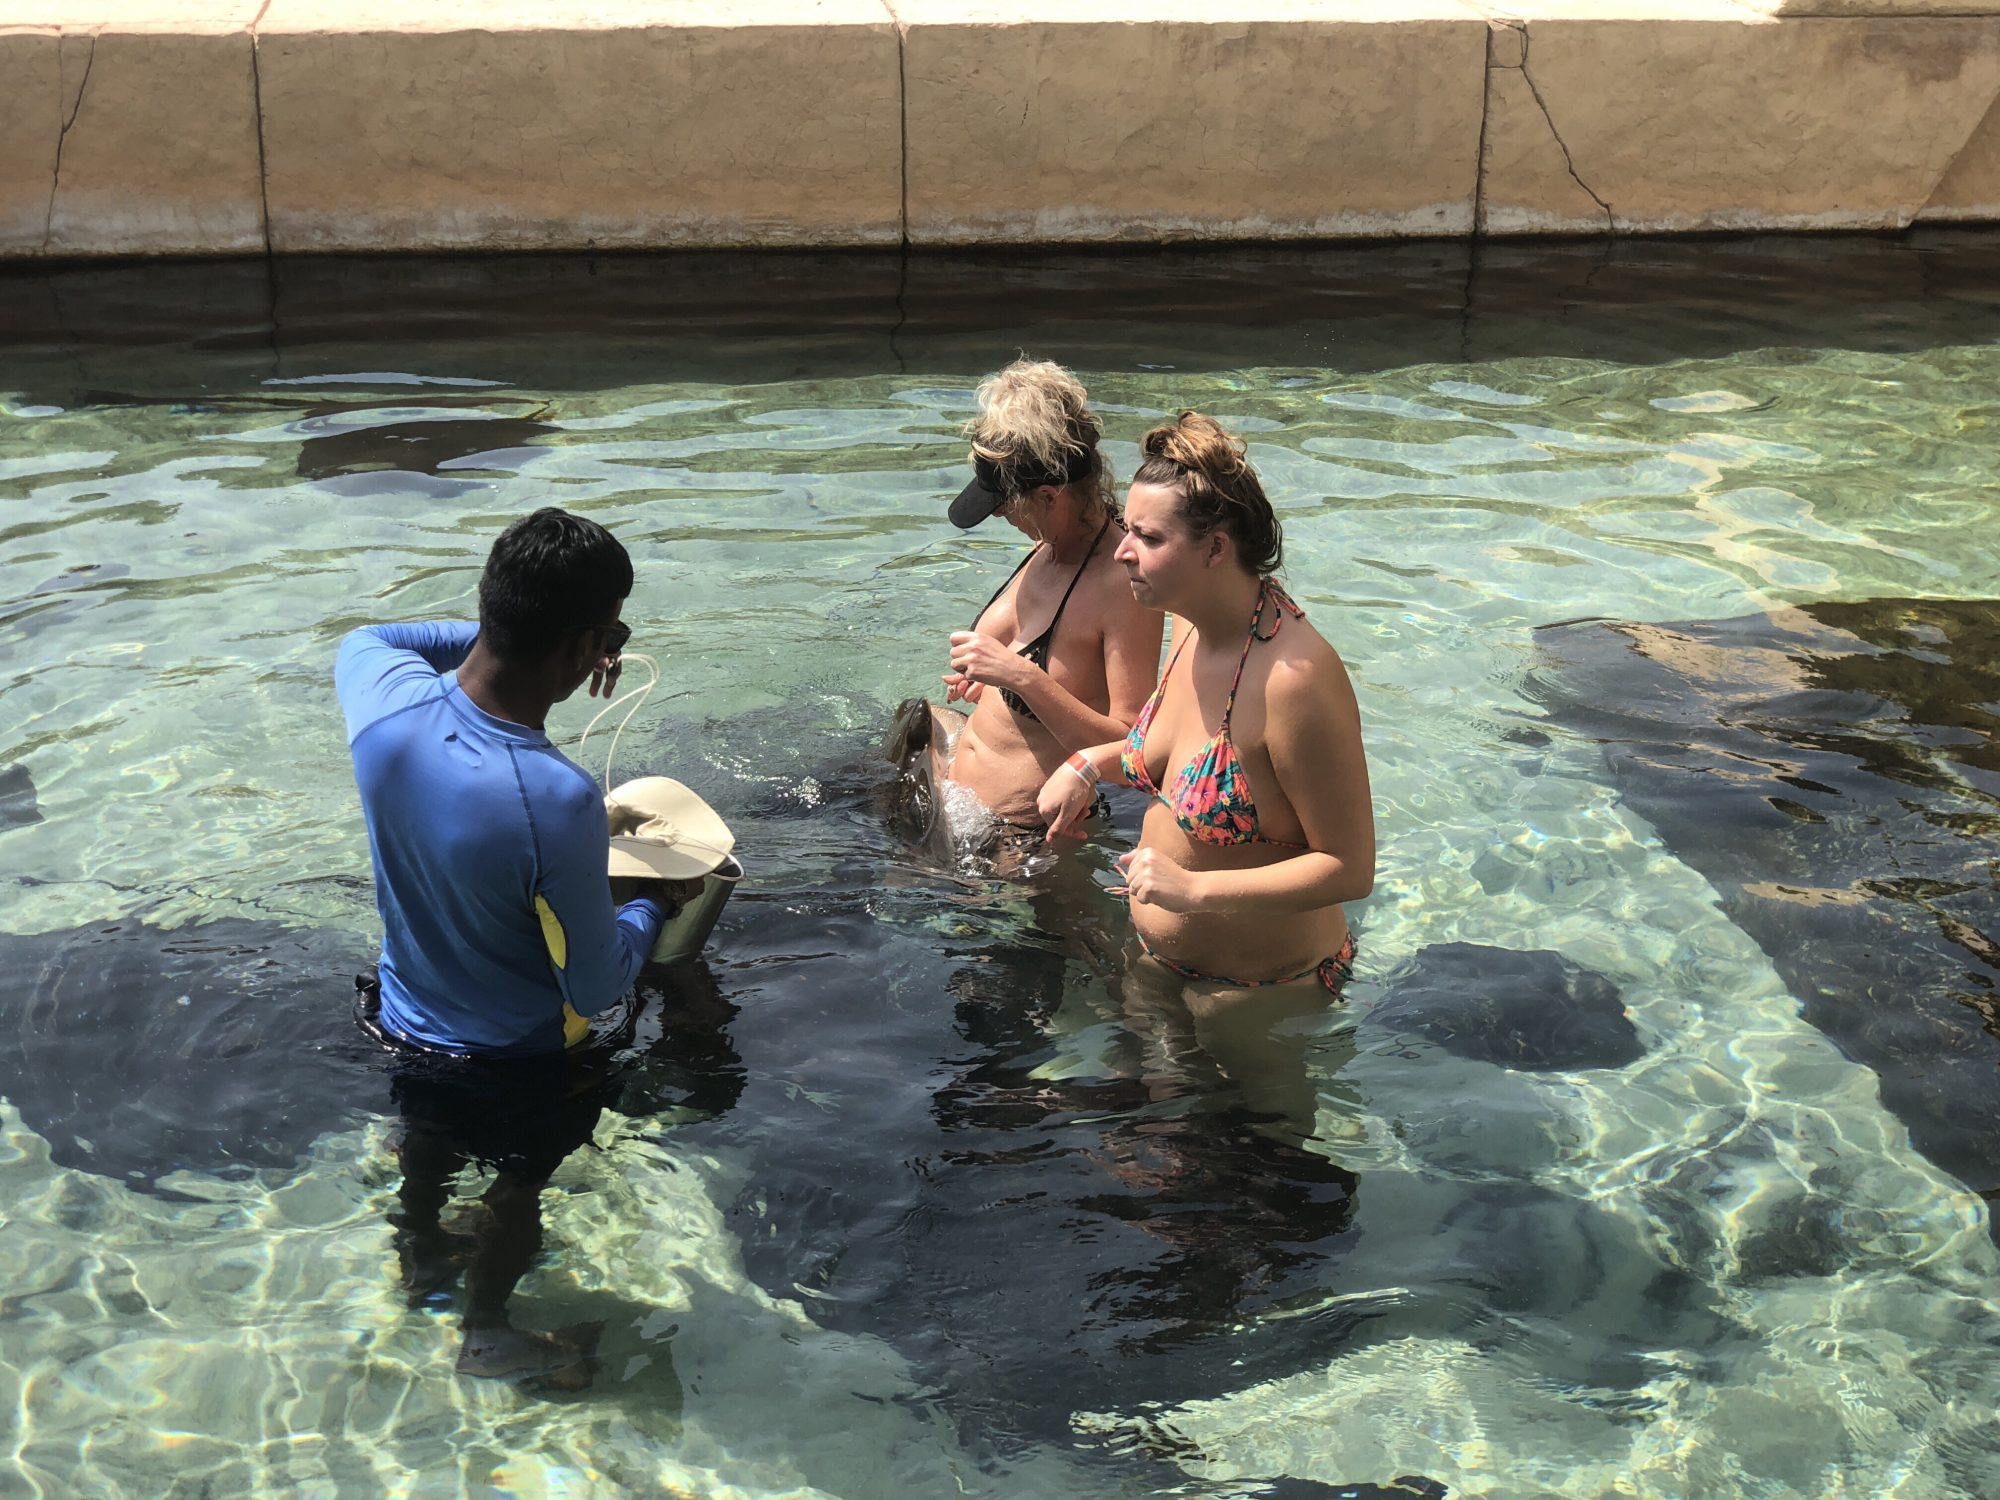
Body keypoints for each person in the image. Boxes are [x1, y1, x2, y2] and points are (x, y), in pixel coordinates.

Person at [335, 506, 676, 1388]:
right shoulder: (552, 796)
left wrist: (505, 632)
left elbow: (378, 632)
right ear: (583, 648)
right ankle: (486, 1329)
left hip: (404, 1021)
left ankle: (418, 1262)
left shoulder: (378, 694)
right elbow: (598, 984)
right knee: (519, 1186)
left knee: (426, 1146)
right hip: (515, 1058)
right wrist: (647, 902)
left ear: (493, 607)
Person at [1038, 412, 1375, 1000]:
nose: (1120, 552)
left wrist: (1195, 893)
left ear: (1216, 548)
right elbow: (1177, 756)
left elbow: (1350, 867)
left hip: (1258, 998)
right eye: (1127, 529)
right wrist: (1090, 763)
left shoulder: (1294, 680)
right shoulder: (1193, 626)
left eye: (1149, 537)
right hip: (1155, 966)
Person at [941, 358, 1164, 832]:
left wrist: (1020, 677)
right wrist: (989, 684)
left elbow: (1135, 752)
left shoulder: (1122, 586)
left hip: (1018, 840)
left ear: (1049, 495)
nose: (999, 515)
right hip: (956, 807)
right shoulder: (1048, 547)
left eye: (1004, 502)